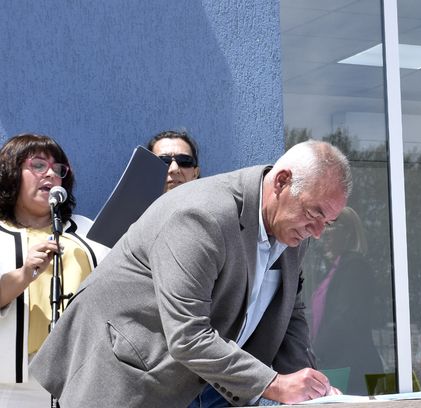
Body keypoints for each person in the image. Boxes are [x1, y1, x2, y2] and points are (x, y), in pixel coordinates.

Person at [30, 140, 352, 407]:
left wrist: (314, 394)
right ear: (281, 182)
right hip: (132, 376)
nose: (320, 232)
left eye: (329, 221)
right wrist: (274, 383)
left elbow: (289, 315)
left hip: (210, 384)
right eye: (315, 214)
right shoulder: (201, 215)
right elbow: (187, 335)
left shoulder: (294, 230)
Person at [0, 134, 108, 401]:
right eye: (38, 165)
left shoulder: (87, 230)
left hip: (80, 375)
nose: (50, 174)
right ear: (12, 173)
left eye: (58, 169)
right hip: (12, 383)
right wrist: (24, 274)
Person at [309, 206, 384, 395]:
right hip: (338, 364)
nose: (325, 234)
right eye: (324, 227)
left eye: (331, 228)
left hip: (354, 370)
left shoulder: (355, 267)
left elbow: (343, 319)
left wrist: (313, 356)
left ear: (349, 234)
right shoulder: (333, 269)